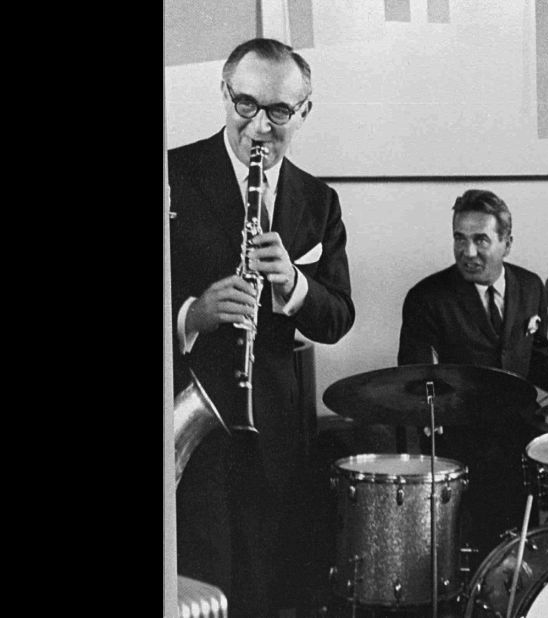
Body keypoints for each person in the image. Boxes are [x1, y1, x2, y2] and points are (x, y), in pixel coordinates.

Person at [170, 38, 355, 617]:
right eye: (244, 104)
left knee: (265, 583)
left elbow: (338, 316)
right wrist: (193, 313)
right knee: (196, 582)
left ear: (304, 111)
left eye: (278, 111)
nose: (258, 127)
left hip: (273, 425)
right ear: (224, 94)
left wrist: (293, 286)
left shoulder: (318, 200)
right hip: (187, 419)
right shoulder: (173, 174)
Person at [397, 189, 548, 565]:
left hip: (523, 438)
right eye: (459, 238)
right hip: (464, 445)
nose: (468, 252)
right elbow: (416, 379)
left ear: (507, 242)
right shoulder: (427, 298)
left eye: (480, 240)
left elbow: (538, 362)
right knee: (482, 553)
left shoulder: (530, 287)